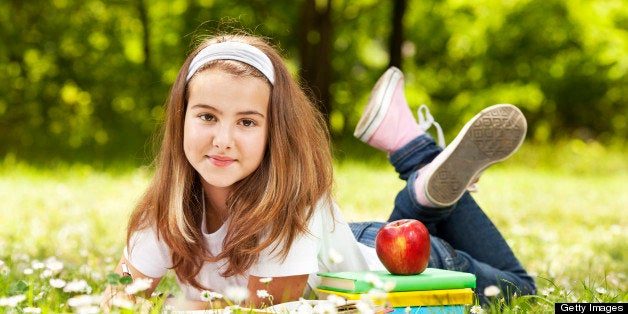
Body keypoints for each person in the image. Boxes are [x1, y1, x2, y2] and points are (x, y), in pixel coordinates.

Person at [102, 32, 534, 310]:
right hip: (344, 244)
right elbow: (119, 299)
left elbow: (261, 310)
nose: (223, 139)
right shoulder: (162, 214)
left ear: (276, 133)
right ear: (180, 118)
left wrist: (178, 305)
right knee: (408, 216)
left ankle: (417, 168)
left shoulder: (288, 210)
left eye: (247, 122)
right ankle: (416, 163)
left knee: (522, 290)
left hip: (392, 269)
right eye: (207, 117)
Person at [348, 66, 537, 303]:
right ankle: (416, 157)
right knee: (523, 291)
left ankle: (417, 160)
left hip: (359, 255)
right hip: (357, 245)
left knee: (519, 288)